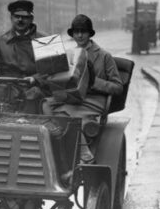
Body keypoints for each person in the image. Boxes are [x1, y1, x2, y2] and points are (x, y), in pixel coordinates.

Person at [42, 14, 123, 163]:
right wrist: (53, 77)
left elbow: (118, 87)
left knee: (69, 119)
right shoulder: (69, 54)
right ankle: (58, 146)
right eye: (76, 32)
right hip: (74, 98)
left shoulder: (104, 56)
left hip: (93, 100)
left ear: (89, 33)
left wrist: (93, 81)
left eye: (83, 31)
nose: (79, 35)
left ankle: (85, 155)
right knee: (45, 104)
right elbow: (63, 80)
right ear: (72, 34)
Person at [0, 0, 46, 112]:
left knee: (36, 100)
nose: (20, 20)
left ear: (31, 19)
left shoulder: (44, 41)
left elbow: (52, 71)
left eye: (24, 17)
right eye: (16, 16)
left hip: (33, 88)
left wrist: (35, 79)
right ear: (11, 18)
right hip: (5, 90)